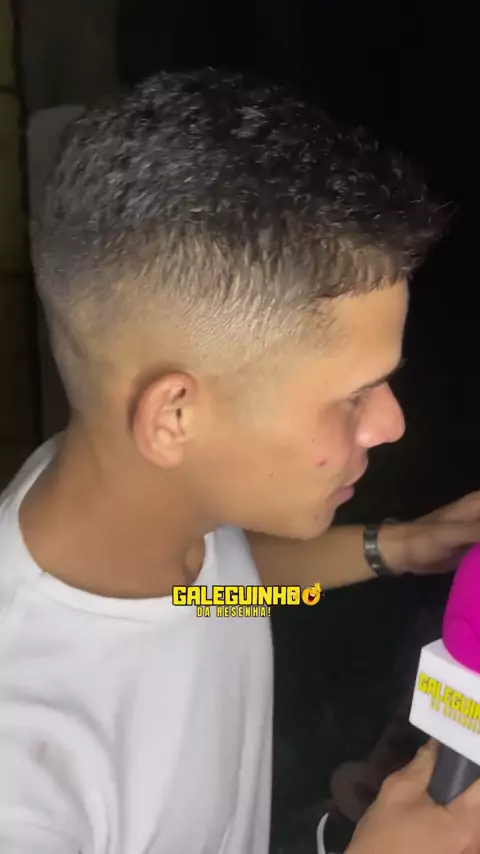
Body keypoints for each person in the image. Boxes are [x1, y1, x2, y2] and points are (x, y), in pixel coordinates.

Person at [1, 68, 480, 854]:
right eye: (353, 396)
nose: (391, 424)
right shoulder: (24, 778)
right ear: (174, 416)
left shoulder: (127, 504)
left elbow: (216, 592)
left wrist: (398, 546)